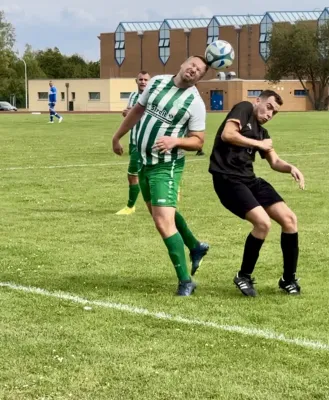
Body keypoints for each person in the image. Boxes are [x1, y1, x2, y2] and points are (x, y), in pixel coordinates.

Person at [112, 56, 210, 296]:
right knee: (163, 214)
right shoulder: (157, 83)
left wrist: (175, 141)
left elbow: (198, 141)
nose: (193, 69)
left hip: (166, 167)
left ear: (199, 77)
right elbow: (137, 111)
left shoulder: (194, 102)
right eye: (192, 64)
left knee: (162, 221)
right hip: (145, 163)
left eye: (198, 70)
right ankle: (196, 246)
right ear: (182, 63)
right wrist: (117, 136)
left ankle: (186, 281)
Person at [209, 90, 305, 297]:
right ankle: (243, 276)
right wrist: (258, 144)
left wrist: (291, 168)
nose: (270, 114)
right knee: (262, 223)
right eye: (269, 107)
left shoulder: (262, 133)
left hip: (249, 180)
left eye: (275, 113)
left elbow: (274, 161)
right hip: (227, 179)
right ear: (257, 101)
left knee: (290, 220)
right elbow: (228, 134)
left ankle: (288, 279)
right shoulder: (244, 108)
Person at [116, 71, 150, 215]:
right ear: (136, 81)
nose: (143, 82)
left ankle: (130, 206)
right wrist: (126, 113)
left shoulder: (152, 96)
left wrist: (132, 113)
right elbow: (130, 114)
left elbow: (148, 116)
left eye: (145, 80)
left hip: (145, 140)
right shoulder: (132, 96)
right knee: (139, 173)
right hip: (133, 139)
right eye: (140, 79)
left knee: (134, 174)